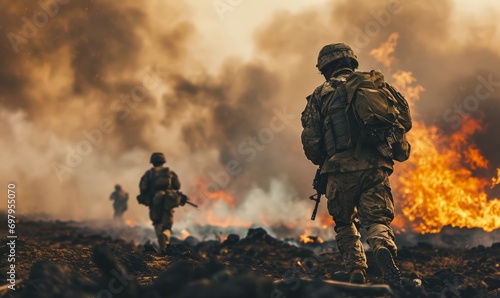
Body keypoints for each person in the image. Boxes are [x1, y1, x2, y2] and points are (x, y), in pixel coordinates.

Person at [301, 43, 406, 285]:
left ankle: (357, 269)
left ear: (326, 68)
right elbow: (403, 120)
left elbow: (312, 140)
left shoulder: (320, 94)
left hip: (340, 170)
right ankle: (382, 247)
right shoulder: (376, 85)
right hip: (375, 166)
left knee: (345, 222)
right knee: (377, 219)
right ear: (352, 62)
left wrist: (322, 160)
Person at [139, 152, 185, 255]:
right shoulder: (170, 173)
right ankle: (165, 237)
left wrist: (147, 196)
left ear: (152, 162)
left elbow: (143, 188)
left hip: (155, 202)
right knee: (167, 226)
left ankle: (162, 246)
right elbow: (177, 186)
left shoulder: (149, 174)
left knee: (157, 223)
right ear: (163, 161)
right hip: (168, 201)